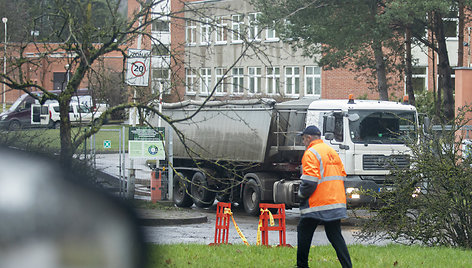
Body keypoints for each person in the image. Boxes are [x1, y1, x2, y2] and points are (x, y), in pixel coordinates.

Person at [296, 125, 352, 268]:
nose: (303, 143)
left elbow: (309, 182)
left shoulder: (310, 153)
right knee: (335, 235)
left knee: (304, 231)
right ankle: (347, 266)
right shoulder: (331, 152)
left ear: (308, 138)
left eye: (303, 140)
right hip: (334, 201)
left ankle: (302, 265)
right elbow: (342, 175)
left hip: (317, 203)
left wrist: (301, 194)